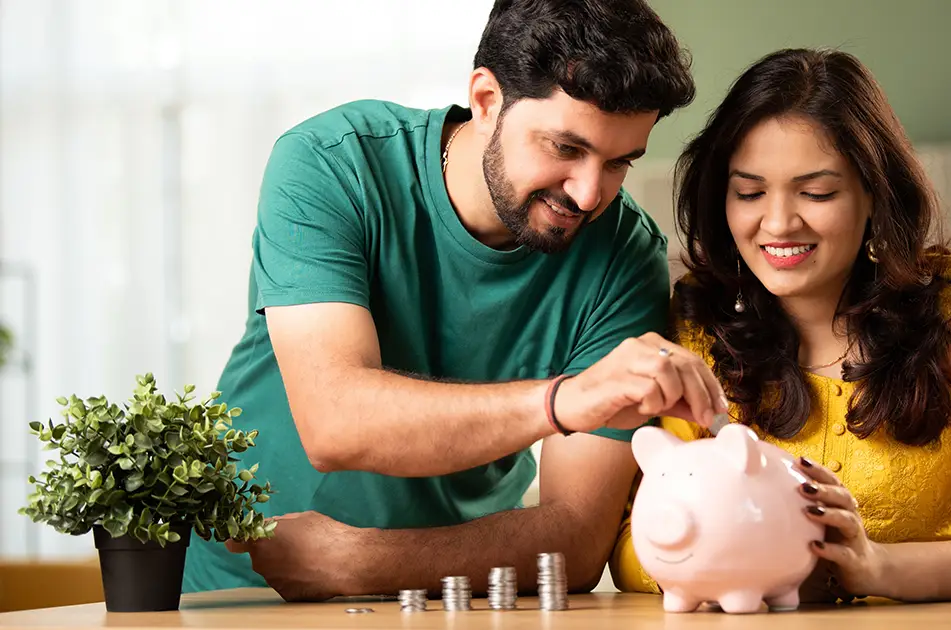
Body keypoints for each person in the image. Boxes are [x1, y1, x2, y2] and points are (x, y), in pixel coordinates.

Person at [181, 0, 730, 601]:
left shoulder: (625, 254)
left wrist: (362, 563)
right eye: (565, 148)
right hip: (238, 591)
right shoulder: (332, 163)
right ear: (487, 100)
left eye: (619, 162)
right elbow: (336, 422)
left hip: (451, 600)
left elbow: (575, 540)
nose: (589, 192)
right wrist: (564, 402)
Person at [609, 48, 951, 604]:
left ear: (874, 193)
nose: (779, 223)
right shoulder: (696, 317)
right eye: (750, 192)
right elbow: (634, 548)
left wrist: (878, 568)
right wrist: (756, 559)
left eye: (817, 192)